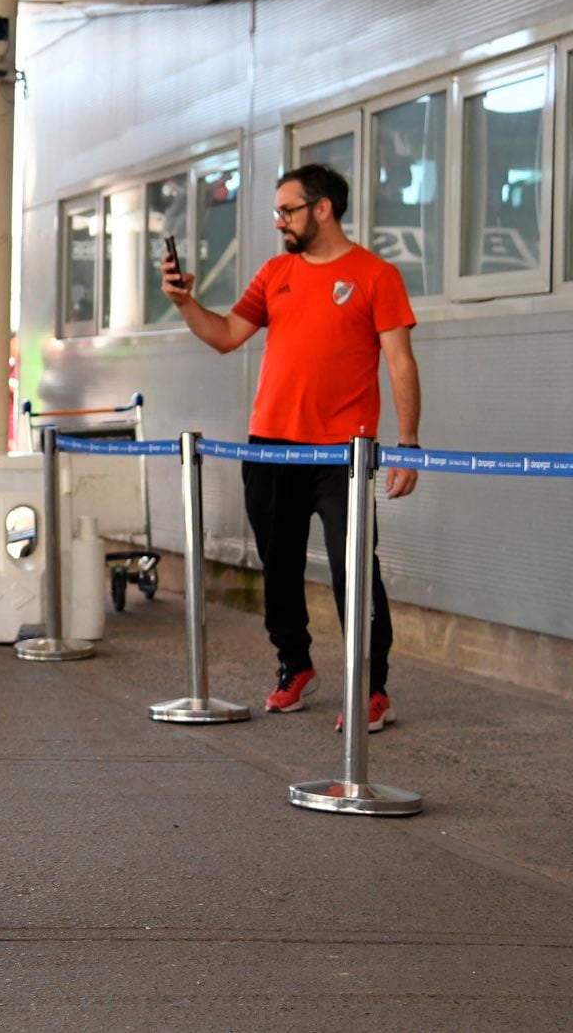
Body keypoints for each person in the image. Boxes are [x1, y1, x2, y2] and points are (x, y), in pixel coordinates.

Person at [161, 162, 422, 732]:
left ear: (322, 208)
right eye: (277, 211)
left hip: (340, 454)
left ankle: (371, 689)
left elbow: (401, 362)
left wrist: (407, 446)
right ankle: (295, 666)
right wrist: (184, 304)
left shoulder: (376, 276)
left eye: (287, 210)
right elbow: (227, 336)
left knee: (354, 571)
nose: (279, 220)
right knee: (277, 569)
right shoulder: (276, 272)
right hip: (271, 448)